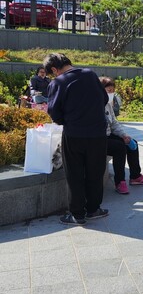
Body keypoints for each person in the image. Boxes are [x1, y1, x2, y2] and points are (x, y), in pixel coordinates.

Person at [44, 53, 109, 225]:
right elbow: (103, 99)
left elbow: (54, 113)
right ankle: (94, 209)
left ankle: (77, 214)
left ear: (54, 69)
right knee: (95, 172)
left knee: (75, 174)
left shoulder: (58, 82)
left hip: (74, 134)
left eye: (52, 73)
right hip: (98, 134)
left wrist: (69, 120)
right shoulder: (91, 75)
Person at [100, 77, 143, 194]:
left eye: (112, 91)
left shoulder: (108, 104)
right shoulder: (94, 105)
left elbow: (114, 123)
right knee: (119, 147)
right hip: (99, 139)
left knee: (131, 143)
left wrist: (124, 135)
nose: (111, 94)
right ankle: (120, 181)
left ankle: (135, 176)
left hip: (109, 135)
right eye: (108, 91)